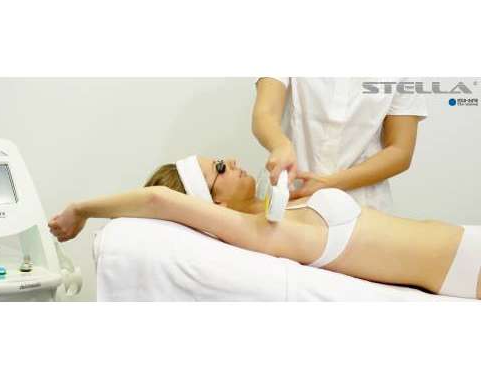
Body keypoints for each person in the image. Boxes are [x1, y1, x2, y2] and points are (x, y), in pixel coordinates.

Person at [49, 155, 480, 300]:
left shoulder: (282, 206)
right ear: (213, 204)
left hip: (466, 246)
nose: (232, 162)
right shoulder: (262, 231)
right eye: (220, 169)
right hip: (464, 270)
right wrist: (81, 210)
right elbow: (158, 199)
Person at [252, 78, 428, 211]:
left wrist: (329, 183)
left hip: (361, 206)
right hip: (286, 196)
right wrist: (280, 145)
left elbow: (400, 151)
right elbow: (265, 114)